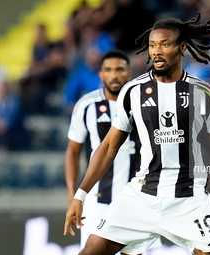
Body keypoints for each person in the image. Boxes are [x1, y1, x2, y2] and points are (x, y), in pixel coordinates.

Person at [64, 12, 210, 255]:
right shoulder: (132, 92)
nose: (156, 51)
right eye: (152, 45)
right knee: (90, 251)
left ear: (182, 48)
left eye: (165, 44)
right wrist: (80, 194)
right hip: (141, 195)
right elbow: (109, 147)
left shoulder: (202, 92)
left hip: (188, 198)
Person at [65, 49, 141, 253]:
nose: (114, 75)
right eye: (108, 70)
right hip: (97, 201)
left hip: (135, 201)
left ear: (128, 73)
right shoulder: (86, 105)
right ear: (101, 74)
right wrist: (73, 197)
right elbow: (73, 151)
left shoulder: (143, 104)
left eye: (119, 70)